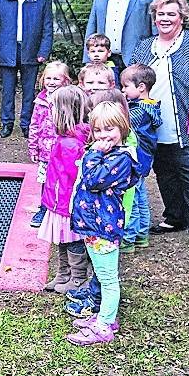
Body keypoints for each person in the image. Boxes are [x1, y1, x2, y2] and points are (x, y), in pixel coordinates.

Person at [130, 0, 189, 251]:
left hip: (187, 120)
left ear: (182, 18)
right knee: (165, 172)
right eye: (160, 14)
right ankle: (174, 217)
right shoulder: (144, 46)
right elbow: (133, 81)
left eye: (171, 14)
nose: (165, 19)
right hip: (152, 124)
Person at [67, 101, 141, 346]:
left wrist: (95, 153)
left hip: (103, 227)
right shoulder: (108, 155)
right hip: (93, 225)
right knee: (101, 274)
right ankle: (104, 316)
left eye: (109, 129)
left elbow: (92, 180)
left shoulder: (120, 158)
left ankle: (104, 326)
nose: (103, 135)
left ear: (122, 128)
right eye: (98, 130)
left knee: (108, 280)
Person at [0, 0, 53, 138]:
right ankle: (7, 123)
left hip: (31, 49)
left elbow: (47, 28)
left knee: (29, 90)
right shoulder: (2, 0)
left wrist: (43, 52)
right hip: (7, 50)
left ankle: (27, 124)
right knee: (7, 90)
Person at [38, 85, 90, 293]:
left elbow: (71, 177)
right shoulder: (65, 138)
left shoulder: (71, 143)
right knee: (61, 238)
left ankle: (78, 278)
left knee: (73, 240)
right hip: (58, 199)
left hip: (67, 202)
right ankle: (63, 274)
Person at [119, 64, 162, 252]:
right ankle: (142, 235)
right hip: (144, 160)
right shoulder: (149, 106)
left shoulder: (138, 111)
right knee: (141, 197)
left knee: (131, 200)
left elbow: (121, 122)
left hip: (136, 160)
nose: (122, 90)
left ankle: (128, 238)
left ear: (141, 87)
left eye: (126, 86)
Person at [28, 61, 72, 228]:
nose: (51, 82)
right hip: (45, 150)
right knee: (46, 180)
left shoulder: (67, 99)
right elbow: (34, 125)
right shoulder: (40, 101)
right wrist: (33, 146)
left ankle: (62, 208)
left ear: (65, 81)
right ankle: (44, 208)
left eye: (56, 78)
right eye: (49, 78)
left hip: (63, 150)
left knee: (63, 179)